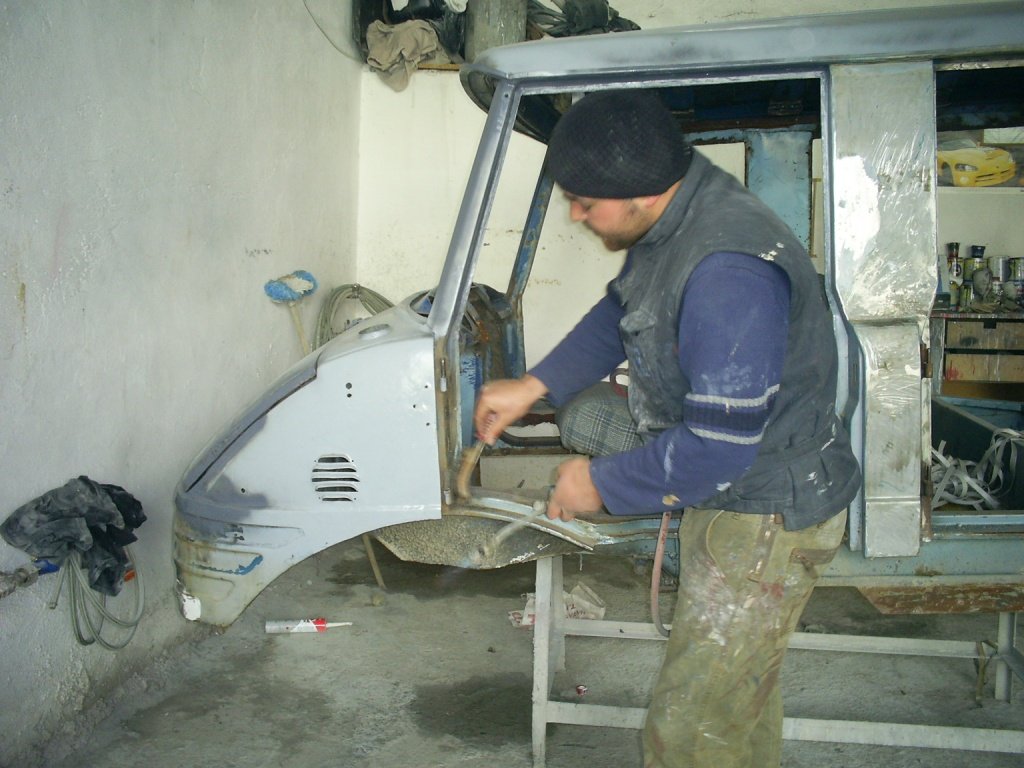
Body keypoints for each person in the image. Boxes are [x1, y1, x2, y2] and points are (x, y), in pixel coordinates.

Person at [473, 89, 861, 768]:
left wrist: (600, 483)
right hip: (742, 493)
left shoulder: (727, 272)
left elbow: (716, 449)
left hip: (764, 514)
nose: (576, 214)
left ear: (643, 193)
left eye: (585, 202)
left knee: (691, 730)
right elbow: (620, 311)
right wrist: (536, 385)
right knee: (731, 705)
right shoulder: (680, 212)